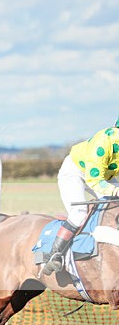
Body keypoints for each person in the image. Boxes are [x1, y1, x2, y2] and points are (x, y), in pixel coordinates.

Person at [42, 117, 119, 275]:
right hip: (76, 171)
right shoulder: (105, 141)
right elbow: (94, 179)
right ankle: (53, 255)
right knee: (79, 213)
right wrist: (116, 191)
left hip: (105, 175)